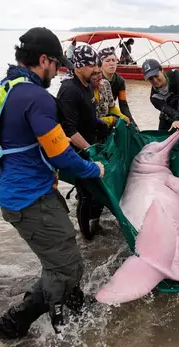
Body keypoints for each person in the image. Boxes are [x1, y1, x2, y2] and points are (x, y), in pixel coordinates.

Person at [0, 27, 105, 340]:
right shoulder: (36, 97)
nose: (58, 70)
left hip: (26, 193)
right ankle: (13, 324)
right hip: (29, 200)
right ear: (43, 60)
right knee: (65, 267)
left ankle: (71, 300)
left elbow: (45, 143)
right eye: (56, 63)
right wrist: (94, 169)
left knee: (65, 259)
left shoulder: (13, 86)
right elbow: (61, 155)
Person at [56, 44, 108, 240]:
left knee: (97, 191)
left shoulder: (86, 85)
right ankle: (86, 237)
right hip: (78, 150)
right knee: (86, 195)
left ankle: (96, 223)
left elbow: (89, 116)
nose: (96, 69)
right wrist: (90, 150)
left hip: (90, 143)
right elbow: (69, 129)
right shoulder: (69, 90)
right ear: (78, 66)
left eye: (96, 64)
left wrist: (104, 125)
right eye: (91, 65)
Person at [142, 58, 179, 131]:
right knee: (161, 138)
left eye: (156, 75)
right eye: (151, 78)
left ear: (161, 70)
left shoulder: (176, 74)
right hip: (168, 116)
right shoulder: (154, 97)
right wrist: (176, 119)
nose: (155, 80)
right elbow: (169, 112)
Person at [98, 47, 135, 124]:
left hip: (111, 109)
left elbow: (123, 104)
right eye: (107, 61)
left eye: (113, 60)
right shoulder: (96, 80)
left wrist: (132, 123)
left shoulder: (120, 81)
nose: (111, 63)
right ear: (100, 64)